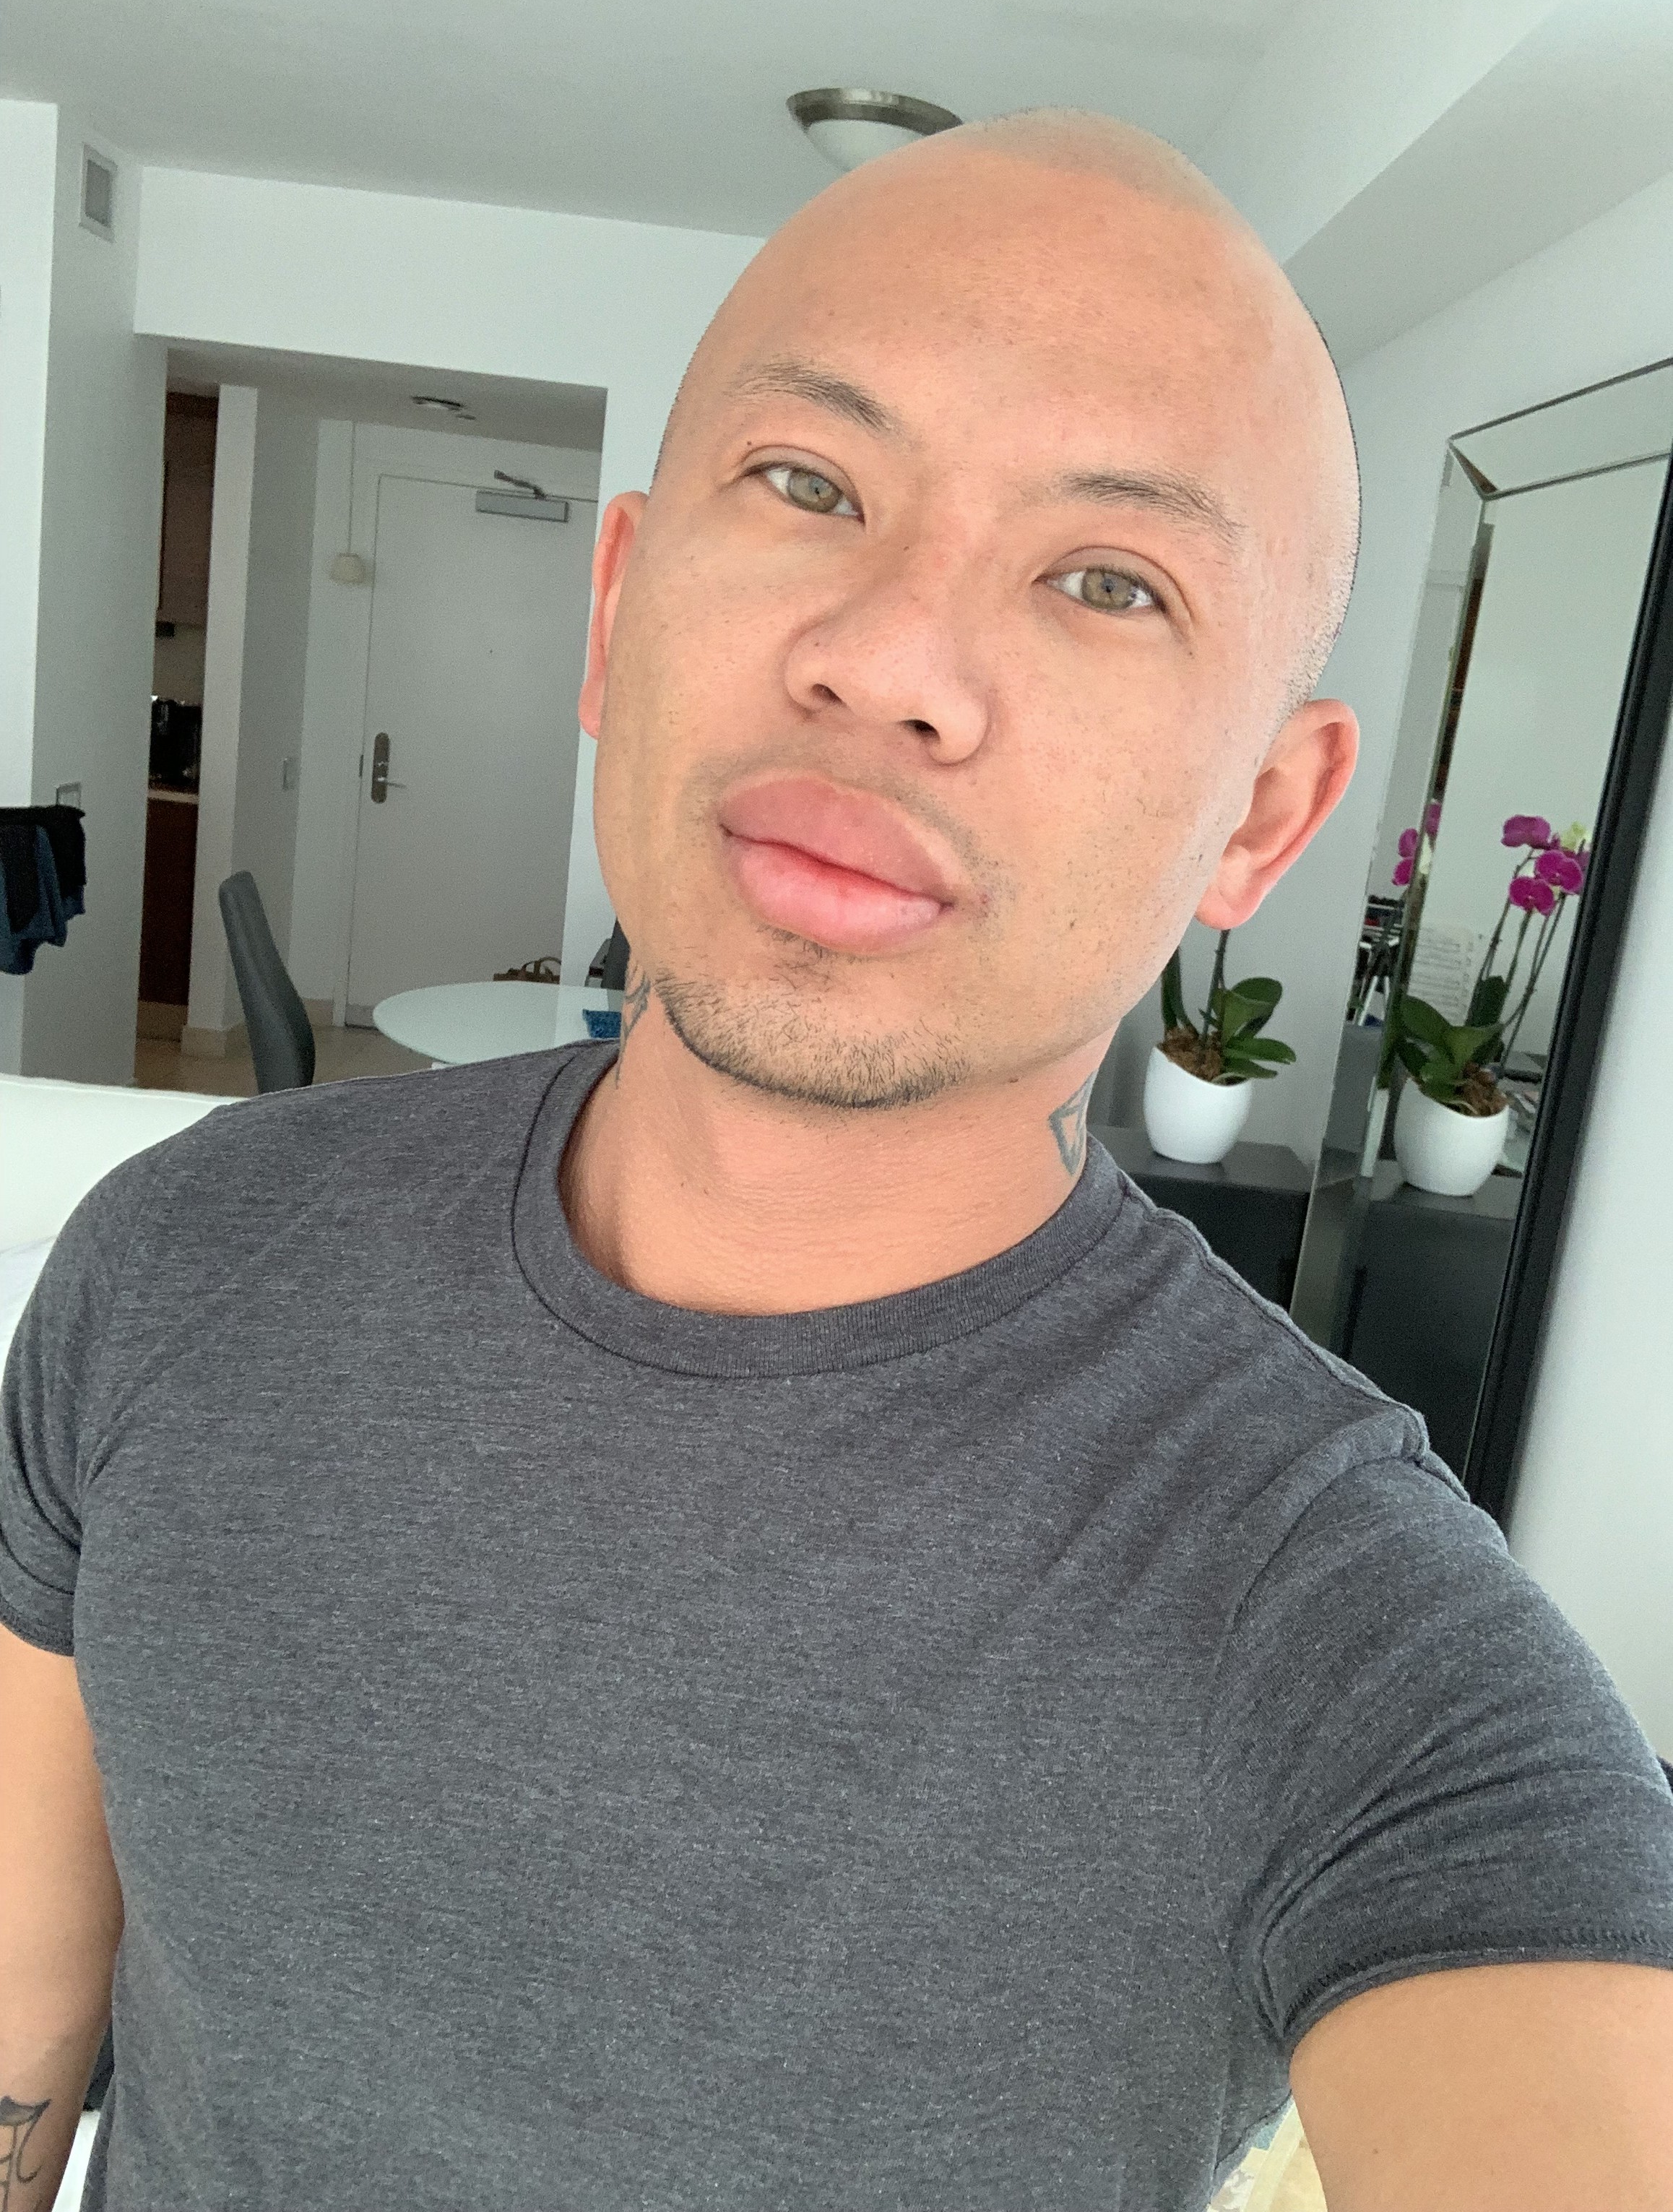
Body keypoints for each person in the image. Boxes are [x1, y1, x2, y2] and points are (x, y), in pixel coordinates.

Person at [3, 108, 1672, 2212]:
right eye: (808, 483)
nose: (884, 660)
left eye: (1107, 579)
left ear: (1261, 813)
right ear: (619, 608)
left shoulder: (1346, 1633)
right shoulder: (180, 1260)